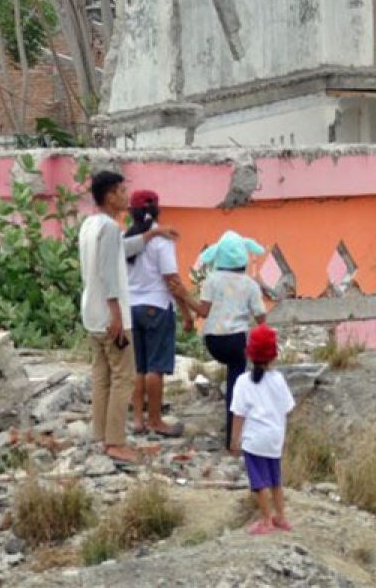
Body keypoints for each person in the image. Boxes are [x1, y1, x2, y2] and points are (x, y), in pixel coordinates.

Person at [78, 171, 176, 465]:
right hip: (111, 315)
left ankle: (101, 434)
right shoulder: (108, 227)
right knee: (123, 377)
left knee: (102, 376)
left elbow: (123, 249)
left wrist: (154, 233)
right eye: (121, 192)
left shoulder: (90, 225)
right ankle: (116, 442)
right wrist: (117, 315)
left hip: (91, 312)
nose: (125, 198)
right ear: (110, 196)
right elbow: (109, 272)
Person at [125, 189, 198, 437]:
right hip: (156, 306)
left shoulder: (127, 239)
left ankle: (137, 420)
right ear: (157, 210)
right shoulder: (162, 240)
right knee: (156, 367)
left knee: (138, 367)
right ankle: (155, 420)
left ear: (131, 212)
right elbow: (172, 280)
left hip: (130, 308)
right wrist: (187, 312)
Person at [195, 230, 267, 450]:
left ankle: (232, 439)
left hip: (213, 341)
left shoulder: (211, 281)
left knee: (230, 374)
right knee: (237, 387)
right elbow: (261, 317)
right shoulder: (250, 285)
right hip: (237, 341)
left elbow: (203, 311)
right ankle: (234, 441)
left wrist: (185, 300)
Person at [230, 323, 295, 535]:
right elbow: (287, 408)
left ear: (249, 353)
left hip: (254, 441)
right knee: (276, 480)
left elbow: (238, 414)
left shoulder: (242, 382)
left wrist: (234, 441)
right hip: (275, 439)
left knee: (259, 483)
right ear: (273, 355)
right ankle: (282, 518)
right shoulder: (278, 380)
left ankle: (266, 519)